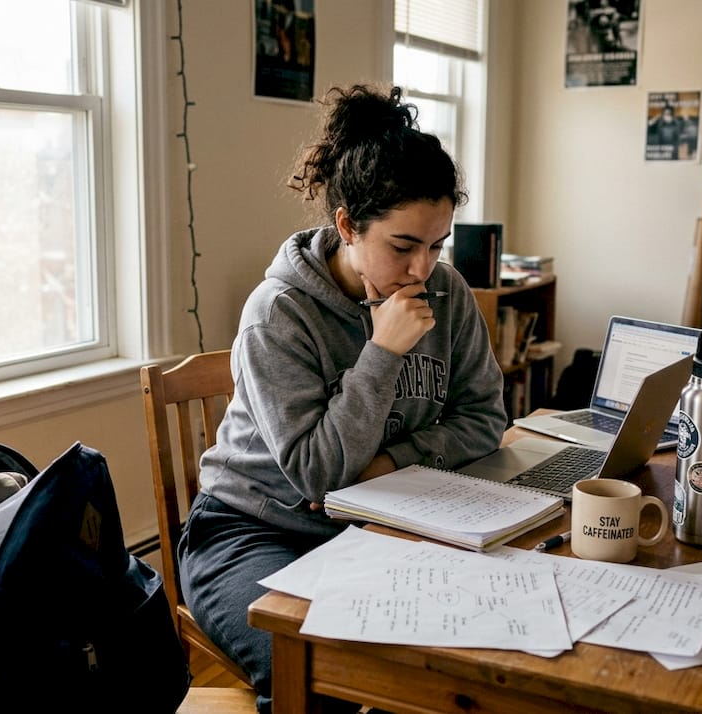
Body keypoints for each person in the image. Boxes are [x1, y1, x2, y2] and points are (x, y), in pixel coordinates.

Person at [177, 84, 507, 714]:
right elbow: (317, 473)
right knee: (315, 668)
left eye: (438, 244)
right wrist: (381, 355)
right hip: (252, 529)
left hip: (382, 517)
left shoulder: (448, 291)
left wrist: (388, 463)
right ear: (348, 226)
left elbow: (486, 418)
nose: (423, 270)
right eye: (403, 246)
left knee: (458, 649)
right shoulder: (277, 314)